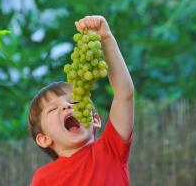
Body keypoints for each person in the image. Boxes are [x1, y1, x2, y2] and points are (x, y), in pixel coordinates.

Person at [28, 15, 134, 186]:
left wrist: (106, 38)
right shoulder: (43, 179)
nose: (66, 105)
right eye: (53, 109)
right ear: (44, 139)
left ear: (96, 119)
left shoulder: (110, 149)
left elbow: (124, 95)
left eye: (75, 102)